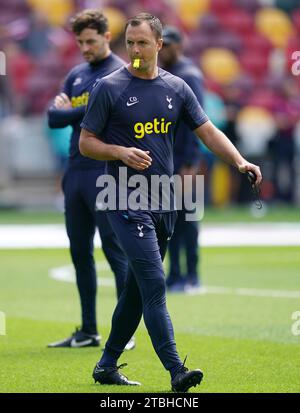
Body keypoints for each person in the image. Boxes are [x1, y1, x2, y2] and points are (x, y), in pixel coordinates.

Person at [79, 13, 262, 391]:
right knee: (154, 283)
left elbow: (208, 131)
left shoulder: (177, 87)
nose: (135, 50)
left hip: (165, 199)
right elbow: (86, 142)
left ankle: (106, 365)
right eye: (130, 43)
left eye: (143, 43)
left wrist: (240, 160)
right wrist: (119, 152)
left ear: (159, 45)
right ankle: (176, 370)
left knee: (135, 290)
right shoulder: (109, 87)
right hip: (123, 198)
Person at [47, 9, 135, 351]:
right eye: (80, 41)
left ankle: (123, 331)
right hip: (76, 173)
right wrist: (83, 110)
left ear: (106, 36)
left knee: (115, 252)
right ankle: (87, 329)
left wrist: (73, 111)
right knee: (79, 252)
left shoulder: (118, 72)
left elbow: (110, 114)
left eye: (91, 40)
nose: (84, 47)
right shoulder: (77, 74)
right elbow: (54, 118)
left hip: (105, 172)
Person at [159, 26, 204, 292]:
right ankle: (175, 274)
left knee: (188, 219)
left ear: (177, 46)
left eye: (165, 46)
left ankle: (193, 275)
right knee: (169, 220)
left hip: (185, 161)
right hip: (169, 160)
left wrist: (191, 164)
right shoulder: (170, 74)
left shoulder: (189, 76)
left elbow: (197, 124)